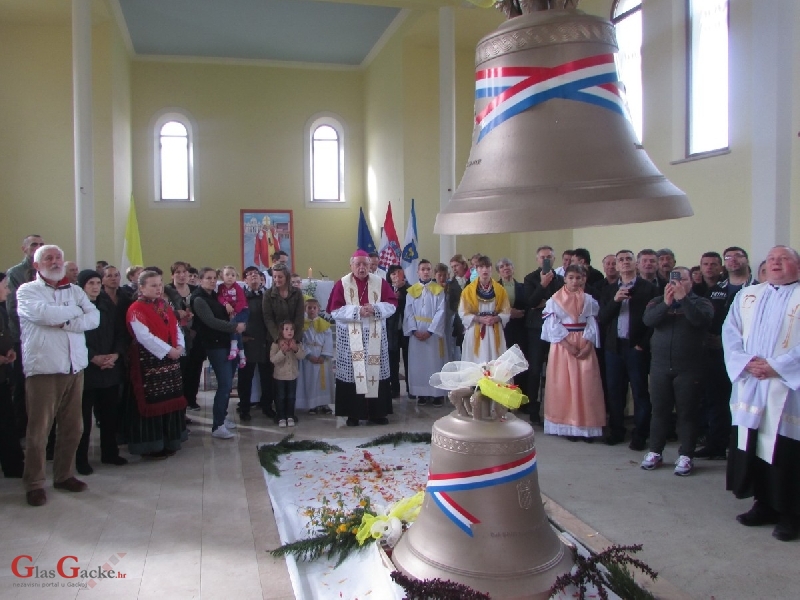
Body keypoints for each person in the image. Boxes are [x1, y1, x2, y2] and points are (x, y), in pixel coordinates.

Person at [723, 246, 800, 542]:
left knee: (785, 450)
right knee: (754, 444)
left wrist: (777, 367)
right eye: (771, 259)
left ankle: (790, 513)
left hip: (788, 387)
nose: (776, 263)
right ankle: (764, 503)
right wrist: (746, 363)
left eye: (784, 259)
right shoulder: (748, 296)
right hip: (752, 384)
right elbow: (730, 331)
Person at [16, 244, 99, 506]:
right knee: (39, 430)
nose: (54, 262)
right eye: (48, 258)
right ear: (37, 265)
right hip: (44, 369)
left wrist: (65, 320)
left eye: (58, 258)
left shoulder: (74, 290)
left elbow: (94, 317)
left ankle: (64, 475)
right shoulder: (27, 291)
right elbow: (43, 314)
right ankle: (35, 483)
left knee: (74, 427)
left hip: (74, 367)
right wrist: (75, 314)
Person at [640, 267, 713, 475]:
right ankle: (655, 451)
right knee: (660, 411)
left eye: (682, 279)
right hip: (660, 366)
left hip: (689, 368)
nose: (677, 283)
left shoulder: (701, 302)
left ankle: (686, 454)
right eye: (674, 279)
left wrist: (684, 300)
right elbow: (648, 321)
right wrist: (666, 303)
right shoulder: (657, 301)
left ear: (691, 282)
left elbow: (701, 321)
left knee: (687, 413)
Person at [326, 249, 397, 426]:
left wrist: (375, 309)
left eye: (365, 264)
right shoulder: (342, 284)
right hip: (351, 337)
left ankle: (377, 413)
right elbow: (334, 310)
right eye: (358, 264)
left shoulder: (380, 282)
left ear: (370, 265)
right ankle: (353, 414)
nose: (362, 267)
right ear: (351, 265)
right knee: (353, 373)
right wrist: (358, 311)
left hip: (374, 335)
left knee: (375, 372)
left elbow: (392, 304)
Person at [124, 270, 188, 457]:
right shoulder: (136, 309)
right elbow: (144, 337)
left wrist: (179, 348)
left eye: (160, 284)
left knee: (171, 399)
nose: (158, 288)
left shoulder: (165, 305)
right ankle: (153, 445)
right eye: (153, 285)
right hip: (149, 361)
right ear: (141, 287)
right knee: (153, 401)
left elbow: (176, 327)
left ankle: (171, 440)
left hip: (171, 358)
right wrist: (169, 350)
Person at [598, 249, 658, 449]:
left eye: (628, 259)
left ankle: (640, 434)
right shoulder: (608, 290)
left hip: (636, 347)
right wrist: (616, 301)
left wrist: (644, 344)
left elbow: (654, 321)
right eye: (620, 260)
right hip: (613, 348)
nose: (624, 262)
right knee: (615, 392)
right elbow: (602, 319)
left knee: (640, 391)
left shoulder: (648, 288)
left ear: (636, 264)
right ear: (615, 265)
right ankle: (616, 431)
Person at [541, 264, 605, 441]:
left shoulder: (589, 300)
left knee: (586, 385)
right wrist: (567, 345)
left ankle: (586, 426)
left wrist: (587, 344)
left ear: (584, 279)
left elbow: (592, 323)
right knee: (564, 384)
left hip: (584, 343)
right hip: (563, 346)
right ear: (565, 279)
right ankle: (567, 425)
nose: (575, 281)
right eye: (571, 278)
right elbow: (551, 325)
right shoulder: (554, 300)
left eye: (578, 278)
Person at [75, 270, 128, 475]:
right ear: (82, 286)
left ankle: (109, 452)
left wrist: (115, 354)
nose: (96, 286)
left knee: (109, 415)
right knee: (84, 418)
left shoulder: (108, 306)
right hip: (87, 369)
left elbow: (120, 333)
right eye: (91, 283)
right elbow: (75, 337)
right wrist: (93, 357)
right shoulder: (75, 309)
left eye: (98, 282)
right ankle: (81, 459)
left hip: (109, 367)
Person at [190, 267, 245, 439]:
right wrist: (234, 326)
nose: (212, 281)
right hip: (214, 345)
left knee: (227, 384)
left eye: (214, 278)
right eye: (208, 278)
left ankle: (222, 416)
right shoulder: (199, 298)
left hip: (226, 342)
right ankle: (217, 425)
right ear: (200, 280)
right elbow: (210, 322)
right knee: (225, 384)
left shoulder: (214, 295)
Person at [6, 234, 44, 437]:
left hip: (46, 339)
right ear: (24, 249)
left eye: (41, 245)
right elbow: (13, 308)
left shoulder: (47, 272)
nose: (38, 247)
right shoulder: (16, 273)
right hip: (23, 337)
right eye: (34, 245)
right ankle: (21, 431)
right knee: (23, 387)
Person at [523, 245, 564, 424]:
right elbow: (530, 302)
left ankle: (556, 410)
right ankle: (533, 408)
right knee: (535, 369)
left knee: (558, 370)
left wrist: (545, 303)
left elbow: (562, 303)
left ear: (554, 259)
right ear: (537, 259)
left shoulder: (562, 279)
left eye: (549, 257)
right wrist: (542, 286)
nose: (545, 260)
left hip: (557, 329)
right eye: (542, 257)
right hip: (536, 329)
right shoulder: (530, 278)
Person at [404, 260, 447, 407]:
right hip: (417, 332)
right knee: (418, 364)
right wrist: (414, 330)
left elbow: (441, 312)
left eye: (428, 269)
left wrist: (430, 331)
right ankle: (421, 393)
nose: (426, 271)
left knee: (434, 363)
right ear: (418, 272)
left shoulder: (438, 290)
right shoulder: (412, 291)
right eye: (423, 269)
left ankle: (436, 394)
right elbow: (408, 312)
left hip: (432, 333)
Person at [236, 266, 273, 422]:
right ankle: (244, 408)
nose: (254, 277)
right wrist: (241, 336)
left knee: (268, 378)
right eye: (250, 275)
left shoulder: (269, 296)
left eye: (256, 274)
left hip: (266, 342)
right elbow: (235, 318)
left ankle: (267, 406)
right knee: (245, 378)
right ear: (245, 280)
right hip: (248, 343)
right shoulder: (241, 297)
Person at [459, 255, 510, 364]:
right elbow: (463, 312)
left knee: (495, 361)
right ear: (476, 269)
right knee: (476, 361)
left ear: (491, 268)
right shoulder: (468, 291)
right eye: (481, 267)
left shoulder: (500, 290)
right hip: (475, 329)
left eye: (487, 267)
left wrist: (496, 318)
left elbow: (506, 311)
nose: (484, 270)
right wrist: (479, 319)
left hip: (494, 329)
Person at [164, 261, 199, 410]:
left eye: (184, 272)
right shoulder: (167, 291)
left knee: (194, 369)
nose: (182, 275)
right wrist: (177, 314)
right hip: (176, 337)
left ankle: (191, 399)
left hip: (195, 334)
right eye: (177, 272)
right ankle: (179, 406)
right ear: (172, 275)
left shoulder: (195, 290)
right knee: (180, 371)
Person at [0, 272, 24, 478]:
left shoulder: (1, 310)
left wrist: (9, 350)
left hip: (3, 375)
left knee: (7, 422)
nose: (8, 291)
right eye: (4, 286)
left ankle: (13, 465)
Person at [297, 298, 334, 415]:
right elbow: (301, 341)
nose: (312, 310)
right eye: (309, 308)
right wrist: (308, 355)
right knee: (310, 380)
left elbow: (328, 340)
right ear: (305, 309)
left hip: (322, 357)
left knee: (323, 382)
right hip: (309, 357)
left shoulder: (324, 325)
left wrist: (324, 355)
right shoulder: (302, 325)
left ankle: (324, 403)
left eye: (314, 308)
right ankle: (311, 404)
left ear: (318, 309)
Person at [496, 257, 527, 392]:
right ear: (498, 272)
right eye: (502, 267)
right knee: (504, 362)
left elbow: (528, 303)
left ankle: (519, 395)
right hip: (502, 328)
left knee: (519, 361)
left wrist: (520, 312)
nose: (506, 268)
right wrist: (508, 313)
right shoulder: (494, 287)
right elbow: (492, 306)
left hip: (520, 327)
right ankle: (504, 396)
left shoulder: (523, 286)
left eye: (508, 265)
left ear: (513, 269)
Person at [270, 321, 307, 427]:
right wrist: (282, 351)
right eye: (286, 329)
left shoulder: (297, 343)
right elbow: (273, 360)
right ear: (281, 331)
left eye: (291, 329)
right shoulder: (276, 344)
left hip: (292, 376)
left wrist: (295, 349)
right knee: (280, 396)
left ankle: (290, 415)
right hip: (280, 376)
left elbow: (302, 356)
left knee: (291, 396)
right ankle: (281, 416)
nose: (289, 331)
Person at [385, 265, 410, 399]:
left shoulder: (409, 288)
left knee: (408, 360)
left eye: (398, 274)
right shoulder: (386, 289)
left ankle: (410, 389)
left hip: (406, 330)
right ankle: (394, 389)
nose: (395, 277)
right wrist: (393, 298)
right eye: (393, 274)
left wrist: (403, 292)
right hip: (392, 329)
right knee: (392, 361)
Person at [217, 265, 249, 368]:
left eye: (233, 275)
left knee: (232, 325)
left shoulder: (237, 287)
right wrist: (226, 304)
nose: (230, 277)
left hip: (242, 311)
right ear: (222, 276)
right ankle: (242, 356)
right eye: (227, 275)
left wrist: (235, 312)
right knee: (237, 332)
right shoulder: (221, 287)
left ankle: (234, 347)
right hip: (232, 312)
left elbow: (242, 301)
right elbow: (220, 297)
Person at [447, 254, 470, 361]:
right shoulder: (451, 284)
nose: (454, 269)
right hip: (460, 322)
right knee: (462, 350)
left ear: (464, 265)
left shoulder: (473, 280)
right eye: (452, 267)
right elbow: (452, 304)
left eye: (456, 265)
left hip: (474, 319)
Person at [434, 262, 457, 362]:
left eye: (444, 275)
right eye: (440, 275)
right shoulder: (431, 289)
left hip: (449, 321)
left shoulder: (451, 288)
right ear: (435, 275)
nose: (442, 278)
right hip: (436, 322)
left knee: (449, 345)